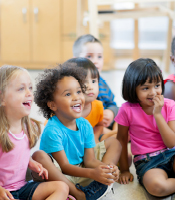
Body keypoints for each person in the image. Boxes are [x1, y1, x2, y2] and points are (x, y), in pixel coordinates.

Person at [0, 65, 69, 200]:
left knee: (62, 187)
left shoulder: (27, 127)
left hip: (22, 188)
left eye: (30, 88)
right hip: (0, 194)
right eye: (21, 89)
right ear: (1, 97)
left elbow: (18, 156)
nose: (29, 93)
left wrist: (31, 163)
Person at [32, 64, 121, 200]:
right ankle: (78, 193)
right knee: (39, 156)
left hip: (82, 170)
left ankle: (104, 179)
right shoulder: (52, 130)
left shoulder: (84, 124)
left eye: (79, 92)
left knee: (114, 142)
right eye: (68, 94)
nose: (76, 97)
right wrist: (92, 173)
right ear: (52, 105)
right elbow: (65, 166)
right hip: (62, 176)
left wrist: (105, 169)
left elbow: (90, 160)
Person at [116, 58, 175, 197]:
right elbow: (121, 140)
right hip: (147, 162)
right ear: (132, 89)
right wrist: (124, 169)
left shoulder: (170, 105)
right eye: (145, 88)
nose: (153, 92)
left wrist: (158, 115)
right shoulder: (126, 110)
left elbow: (171, 143)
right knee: (157, 187)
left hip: (172, 153)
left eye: (157, 85)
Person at [73, 34, 118, 138]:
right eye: (89, 56)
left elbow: (113, 104)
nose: (95, 61)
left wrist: (111, 112)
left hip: (106, 124)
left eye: (99, 56)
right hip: (90, 129)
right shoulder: (74, 86)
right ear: (75, 61)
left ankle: (117, 136)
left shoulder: (102, 82)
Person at [65, 58, 105, 143]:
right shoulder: (63, 109)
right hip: (67, 147)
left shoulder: (98, 106)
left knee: (114, 142)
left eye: (94, 81)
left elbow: (99, 126)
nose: (90, 87)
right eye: (84, 82)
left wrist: (95, 136)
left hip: (88, 143)